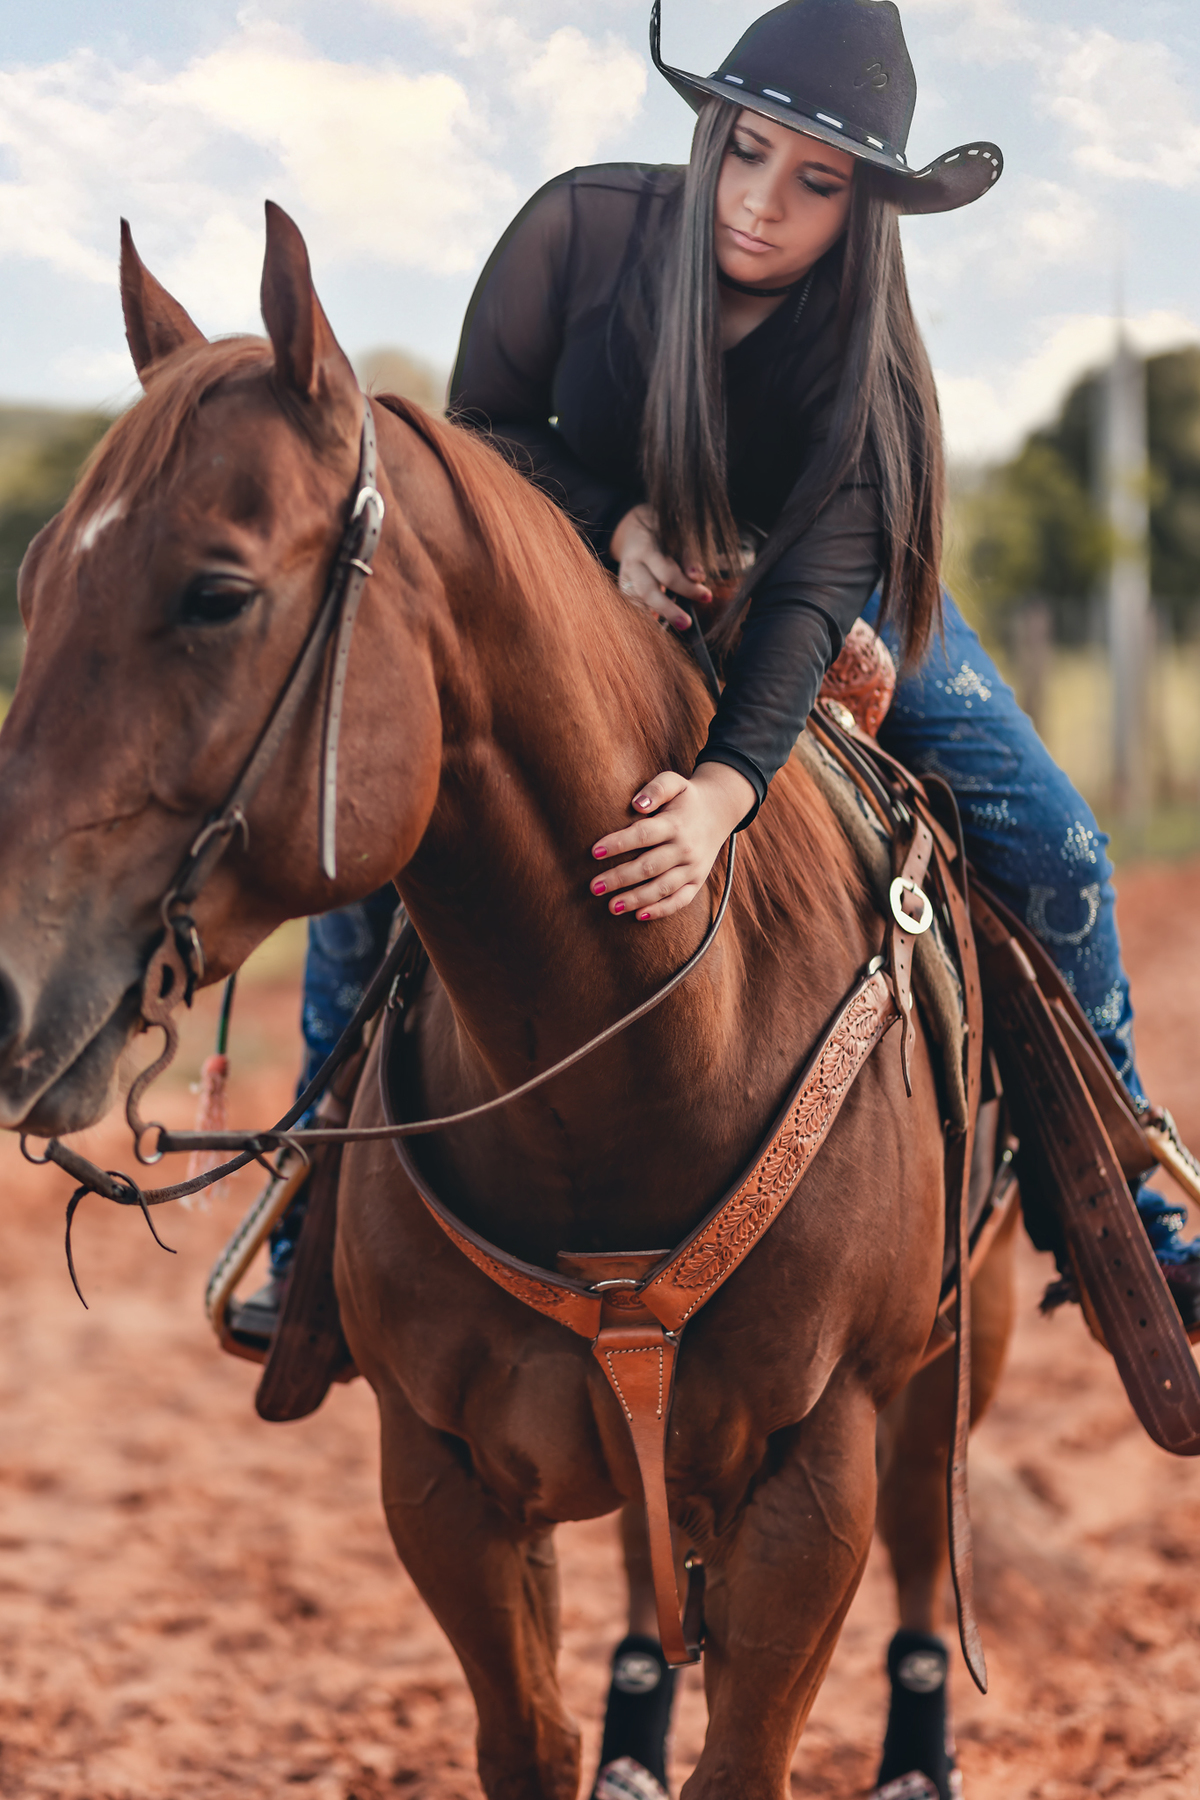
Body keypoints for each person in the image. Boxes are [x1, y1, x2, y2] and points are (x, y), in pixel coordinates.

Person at [246, 0, 1200, 1343]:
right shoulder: (575, 233)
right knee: (391, 821)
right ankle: (309, 1210)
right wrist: (610, 521)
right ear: (711, 131)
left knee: (1060, 848)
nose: (761, 206)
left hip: (821, 593)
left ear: (862, 207)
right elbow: (484, 439)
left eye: (816, 184)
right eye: (746, 153)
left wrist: (721, 793)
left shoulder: (873, 375)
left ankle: (1117, 1221)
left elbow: (815, 595)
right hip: (581, 569)